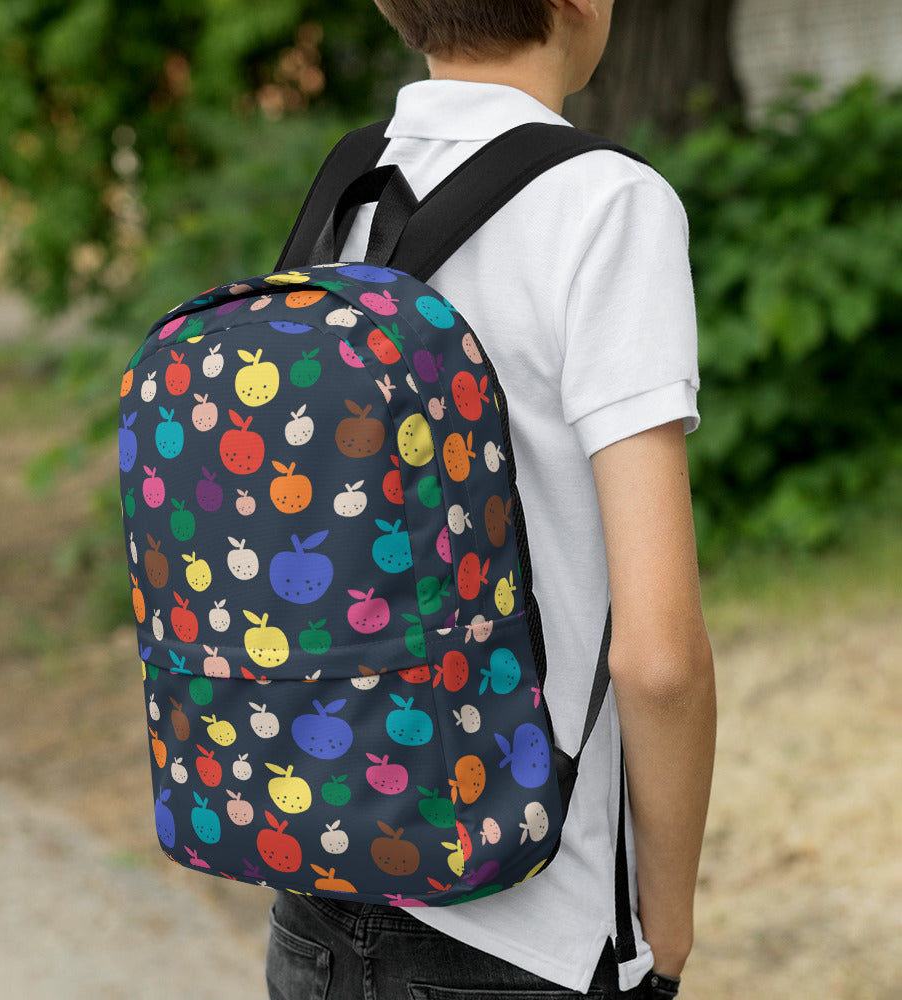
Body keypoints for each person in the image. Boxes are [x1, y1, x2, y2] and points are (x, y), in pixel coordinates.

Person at [265, 1, 716, 997]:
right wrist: (666, 926)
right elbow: (658, 658)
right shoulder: (607, 203)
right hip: (524, 920)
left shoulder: (349, 188)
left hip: (317, 883)